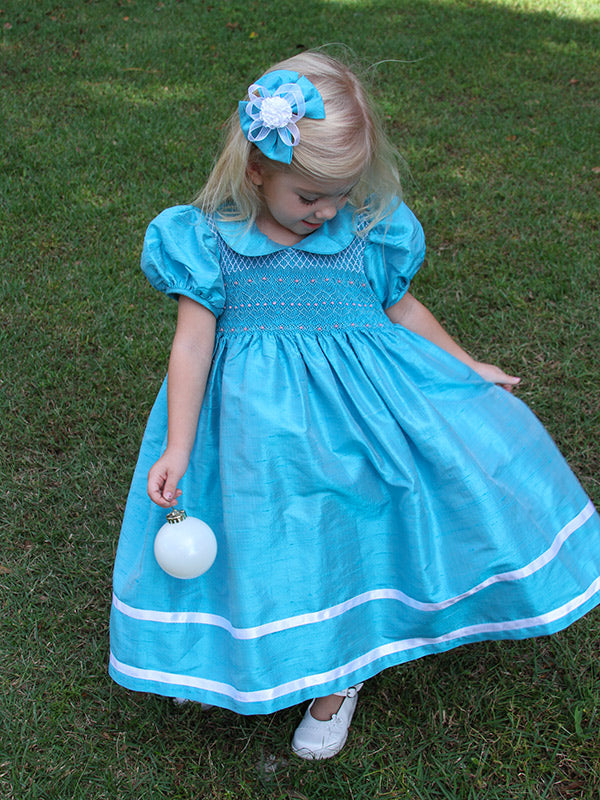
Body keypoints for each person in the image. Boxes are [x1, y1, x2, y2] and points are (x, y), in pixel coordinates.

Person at [109, 50, 600, 760]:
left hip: (359, 422)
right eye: (310, 196)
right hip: (252, 432)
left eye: (340, 194)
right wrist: (179, 447)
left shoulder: (365, 231)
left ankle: (339, 676)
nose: (327, 211)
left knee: (340, 536)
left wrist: (464, 365)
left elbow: (402, 308)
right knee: (259, 534)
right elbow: (191, 347)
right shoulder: (208, 242)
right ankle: (220, 646)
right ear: (256, 168)